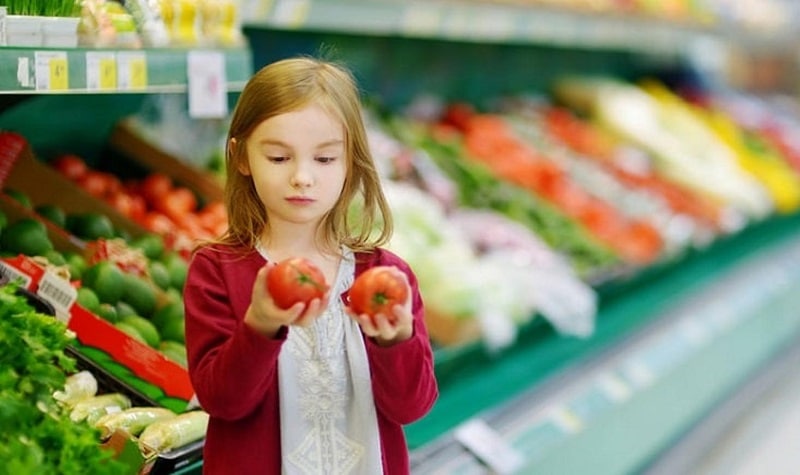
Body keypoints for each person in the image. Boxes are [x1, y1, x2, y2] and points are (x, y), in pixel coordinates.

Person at [183, 56, 439, 475]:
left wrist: (396, 340)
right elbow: (222, 402)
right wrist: (259, 326)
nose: (303, 177)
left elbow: (412, 406)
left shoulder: (385, 274)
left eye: (324, 160)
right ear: (241, 156)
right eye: (279, 158)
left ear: (351, 164)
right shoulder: (217, 270)